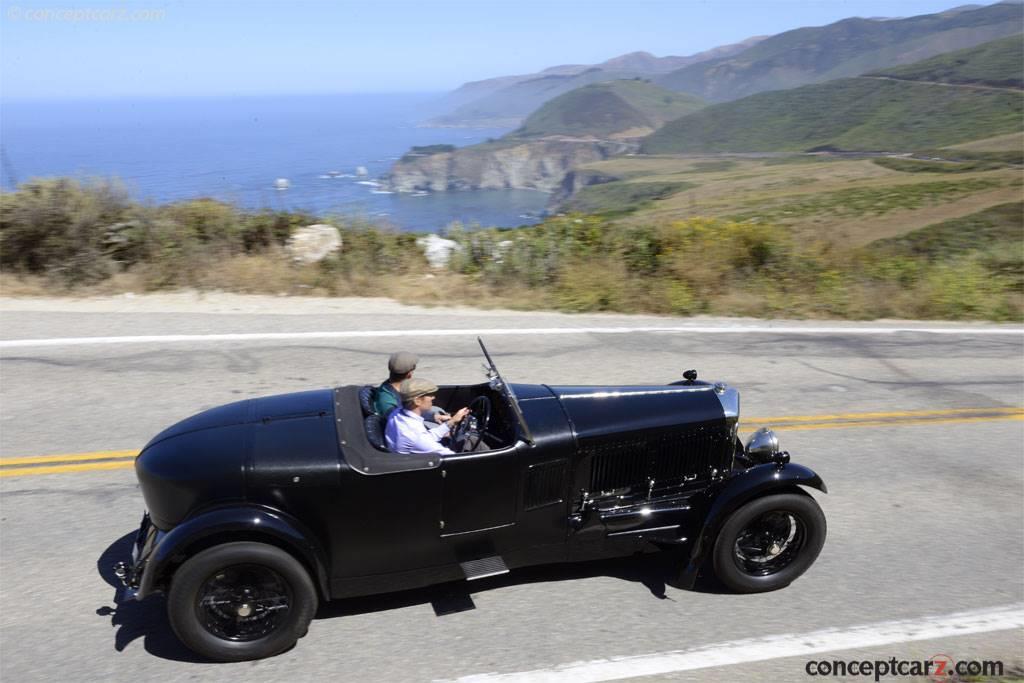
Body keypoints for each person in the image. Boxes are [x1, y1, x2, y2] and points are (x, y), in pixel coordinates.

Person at [385, 378, 469, 455]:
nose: (433, 397)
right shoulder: (415, 436)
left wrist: (451, 422)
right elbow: (453, 458)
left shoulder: (397, 414)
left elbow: (426, 438)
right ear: (417, 401)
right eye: (430, 394)